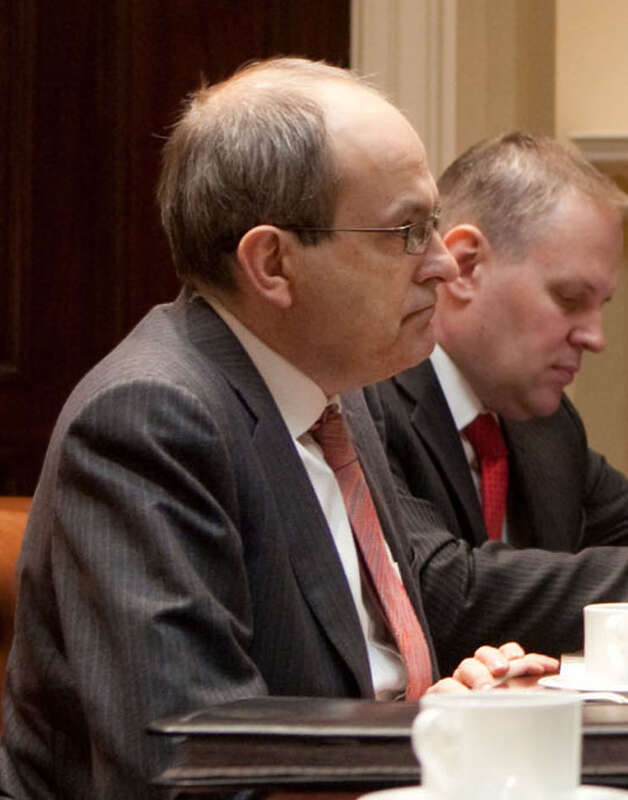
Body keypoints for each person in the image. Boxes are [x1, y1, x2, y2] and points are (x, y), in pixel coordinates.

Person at [0, 59, 553, 800]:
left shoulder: (337, 390)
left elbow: (359, 672)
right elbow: (193, 766)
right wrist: (432, 746)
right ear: (272, 264)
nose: (445, 264)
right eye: (408, 230)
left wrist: (455, 699)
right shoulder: (151, 419)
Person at [373, 132, 628, 549]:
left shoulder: (549, 426)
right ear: (465, 266)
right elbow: (446, 587)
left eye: (600, 305)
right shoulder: (365, 405)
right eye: (569, 298)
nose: (595, 338)